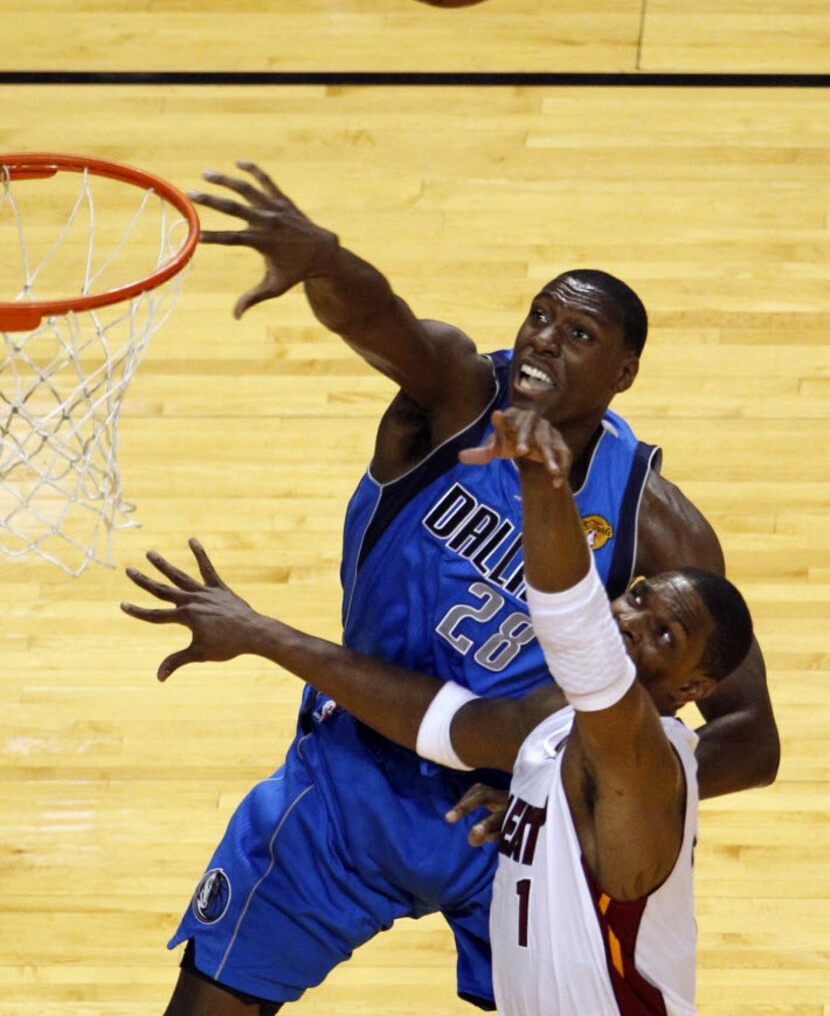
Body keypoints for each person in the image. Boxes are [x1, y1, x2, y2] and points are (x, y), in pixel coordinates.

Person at [143, 161, 777, 1014]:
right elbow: (383, 322)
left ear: (626, 371)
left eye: (579, 332)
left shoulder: (657, 527)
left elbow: (749, 733)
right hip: (357, 769)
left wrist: (586, 784)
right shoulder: (451, 395)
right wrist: (327, 264)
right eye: (541, 314)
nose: (546, 337)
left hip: (508, 817)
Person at [122, 406, 756, 1016]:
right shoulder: (560, 735)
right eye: (637, 597)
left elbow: (572, 619)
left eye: (664, 635)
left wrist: (540, 477)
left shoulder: (637, 749)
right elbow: (442, 722)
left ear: (694, 687)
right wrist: (259, 633)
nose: (630, 623)